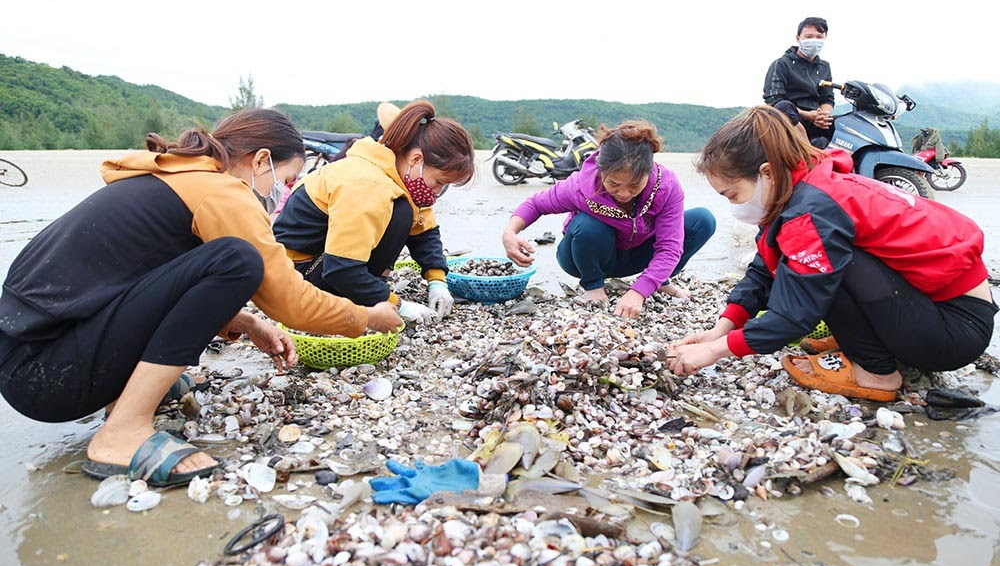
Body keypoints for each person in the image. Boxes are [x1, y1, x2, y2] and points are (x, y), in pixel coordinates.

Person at [0, 109, 402, 487]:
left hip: (31, 359)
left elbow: (150, 280)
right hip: (48, 376)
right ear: (261, 161)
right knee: (237, 259)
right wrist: (367, 316)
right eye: (289, 177)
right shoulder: (221, 192)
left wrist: (242, 321)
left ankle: (122, 396)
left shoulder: (176, 178)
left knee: (223, 259)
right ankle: (121, 433)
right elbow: (289, 302)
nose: (287, 189)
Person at [669, 106, 996, 401]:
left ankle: (877, 373)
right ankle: (870, 346)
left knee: (826, 264)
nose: (733, 205)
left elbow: (794, 316)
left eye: (732, 194)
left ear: (766, 173)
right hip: (932, 307)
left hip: (954, 330)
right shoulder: (804, 183)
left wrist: (715, 351)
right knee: (812, 257)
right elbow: (764, 266)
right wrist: (722, 328)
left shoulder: (811, 212)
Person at [273, 100, 475, 324]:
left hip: (323, 264)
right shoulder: (368, 183)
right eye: (439, 182)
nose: (437, 192)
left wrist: (437, 281)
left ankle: (367, 289)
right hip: (295, 279)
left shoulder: (395, 172)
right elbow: (341, 269)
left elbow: (424, 231)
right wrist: (396, 304)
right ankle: (361, 293)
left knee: (406, 209)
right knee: (400, 212)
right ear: (416, 159)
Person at [502, 120, 716, 318]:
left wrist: (639, 292)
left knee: (702, 220)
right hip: (584, 258)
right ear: (601, 171)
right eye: (614, 184)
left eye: (634, 185)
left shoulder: (665, 186)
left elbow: (670, 247)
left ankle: (659, 281)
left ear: (648, 173)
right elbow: (536, 204)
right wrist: (510, 232)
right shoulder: (580, 186)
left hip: (636, 255)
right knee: (589, 225)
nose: (624, 193)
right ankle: (594, 286)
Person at [763, 16, 835, 145]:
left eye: (819, 37)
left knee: (844, 123)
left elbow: (827, 98)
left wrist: (823, 115)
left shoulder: (824, 67)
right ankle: (807, 149)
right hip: (790, 119)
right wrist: (808, 115)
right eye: (809, 37)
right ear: (798, 38)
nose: (814, 40)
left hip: (815, 121)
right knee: (783, 106)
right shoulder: (781, 64)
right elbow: (774, 100)